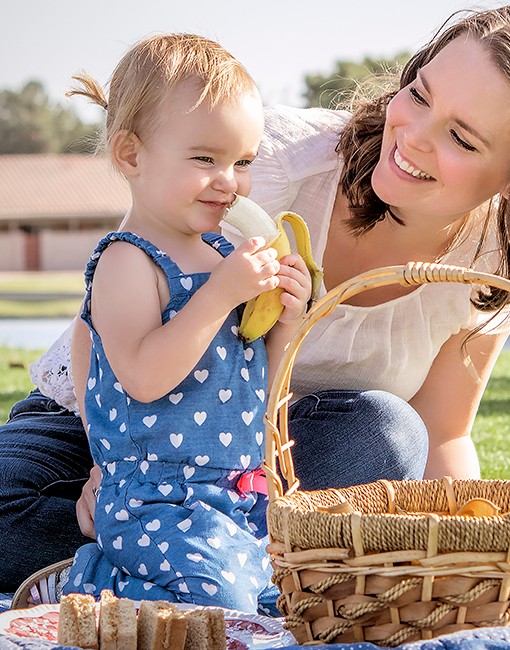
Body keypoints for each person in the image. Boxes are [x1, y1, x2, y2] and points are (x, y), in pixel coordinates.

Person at [0, 3, 510, 597]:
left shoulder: (490, 268)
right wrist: (109, 464)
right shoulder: (258, 164)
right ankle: (194, 568)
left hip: (253, 469)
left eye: (462, 138)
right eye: (418, 95)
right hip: (96, 420)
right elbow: (113, 313)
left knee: (386, 436)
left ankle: (180, 566)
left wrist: (471, 563)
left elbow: (444, 433)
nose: (413, 134)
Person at [54, 33, 311, 613]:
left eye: (242, 162)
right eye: (205, 159)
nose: (230, 181)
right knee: (223, 600)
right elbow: (144, 378)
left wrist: (286, 326)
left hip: (237, 495)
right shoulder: (129, 261)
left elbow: (247, 392)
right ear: (131, 156)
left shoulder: (223, 254)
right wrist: (221, 296)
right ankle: (102, 584)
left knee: (293, 595)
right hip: (157, 501)